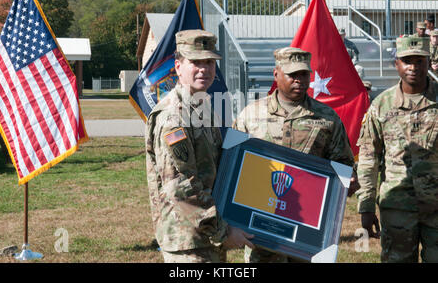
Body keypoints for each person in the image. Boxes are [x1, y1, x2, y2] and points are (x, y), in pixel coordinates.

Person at [233, 47, 359, 263]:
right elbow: (233, 166)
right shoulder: (251, 115)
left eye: (304, 74)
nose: (299, 80)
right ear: (276, 74)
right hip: (263, 226)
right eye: (292, 75)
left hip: (307, 230)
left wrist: (347, 181)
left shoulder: (326, 117)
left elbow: (343, 163)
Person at [145, 29, 254, 263]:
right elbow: (181, 187)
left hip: (205, 236)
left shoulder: (202, 107)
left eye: (209, 62)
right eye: (195, 62)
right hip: (188, 242)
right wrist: (222, 231)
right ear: (178, 66)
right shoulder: (174, 118)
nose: (204, 69)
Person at [356, 36, 438, 263]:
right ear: (397, 64)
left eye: (419, 61)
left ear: (429, 63)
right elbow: (368, 157)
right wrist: (366, 205)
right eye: (407, 61)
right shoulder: (382, 105)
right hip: (397, 207)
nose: (413, 67)